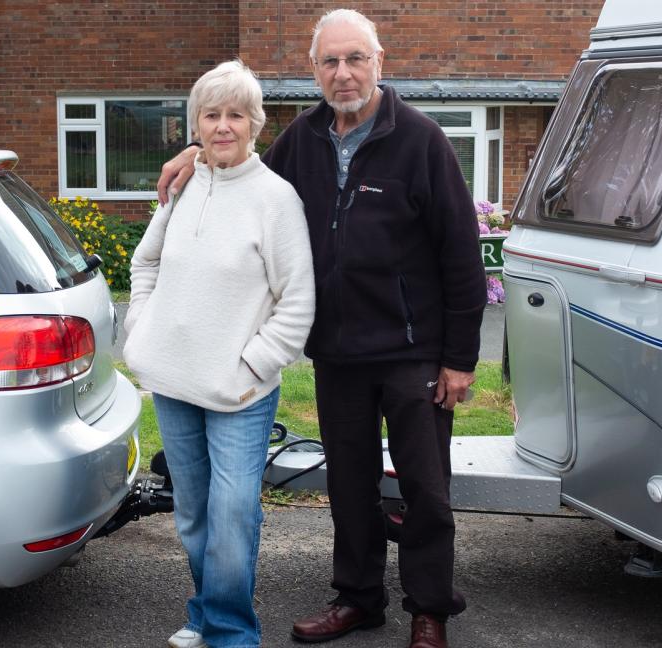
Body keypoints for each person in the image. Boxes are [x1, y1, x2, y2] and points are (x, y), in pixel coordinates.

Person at [156, 9, 484, 648]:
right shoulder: (301, 141)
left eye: (355, 59)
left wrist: (460, 359)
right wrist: (197, 153)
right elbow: (242, 166)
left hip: (414, 352)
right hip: (337, 351)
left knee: (424, 487)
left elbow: (460, 255)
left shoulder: (421, 141)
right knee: (350, 484)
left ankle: (429, 609)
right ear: (314, 71)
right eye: (330, 62)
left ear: (378, 63)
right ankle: (358, 598)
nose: (343, 73)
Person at [125, 59, 316, 648]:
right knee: (194, 515)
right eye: (212, 114)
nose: (224, 126)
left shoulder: (275, 198)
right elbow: (145, 263)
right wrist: (141, 331)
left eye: (237, 114)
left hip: (240, 392)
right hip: (175, 381)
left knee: (232, 519)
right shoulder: (182, 187)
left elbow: (298, 301)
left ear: (255, 123)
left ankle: (232, 633)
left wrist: (254, 364)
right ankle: (205, 615)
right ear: (197, 124)